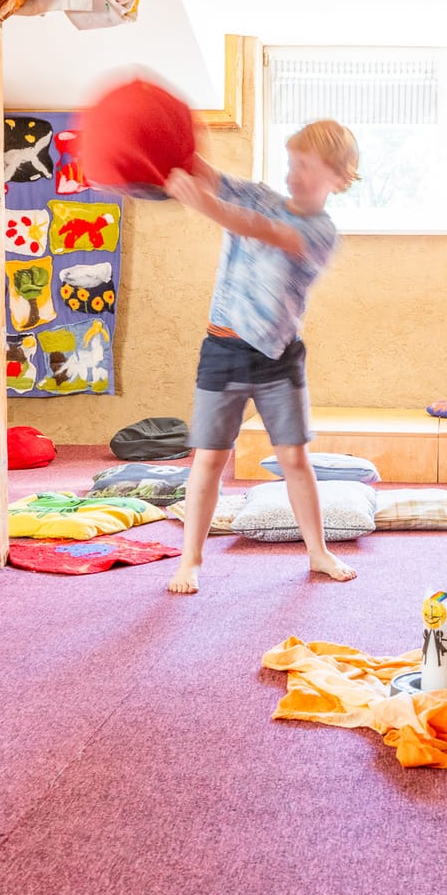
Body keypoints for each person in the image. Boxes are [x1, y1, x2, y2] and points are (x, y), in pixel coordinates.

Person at [160, 120, 359, 595]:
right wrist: (173, 140)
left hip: (276, 358)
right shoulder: (260, 195)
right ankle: (191, 559)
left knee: (293, 457)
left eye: (307, 167)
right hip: (222, 350)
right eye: (292, 163)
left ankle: (318, 551)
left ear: (339, 177)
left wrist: (202, 204)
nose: (294, 175)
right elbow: (209, 175)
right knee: (208, 459)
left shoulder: (320, 232)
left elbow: (260, 230)